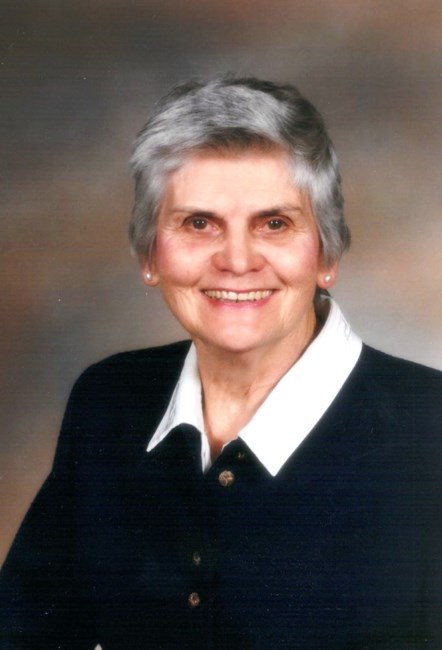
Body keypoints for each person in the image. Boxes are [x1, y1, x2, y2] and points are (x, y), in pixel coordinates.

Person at [0, 77, 441, 649]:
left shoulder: (430, 430)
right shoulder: (109, 400)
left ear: (327, 253)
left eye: (274, 223)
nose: (236, 260)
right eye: (199, 223)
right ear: (149, 254)